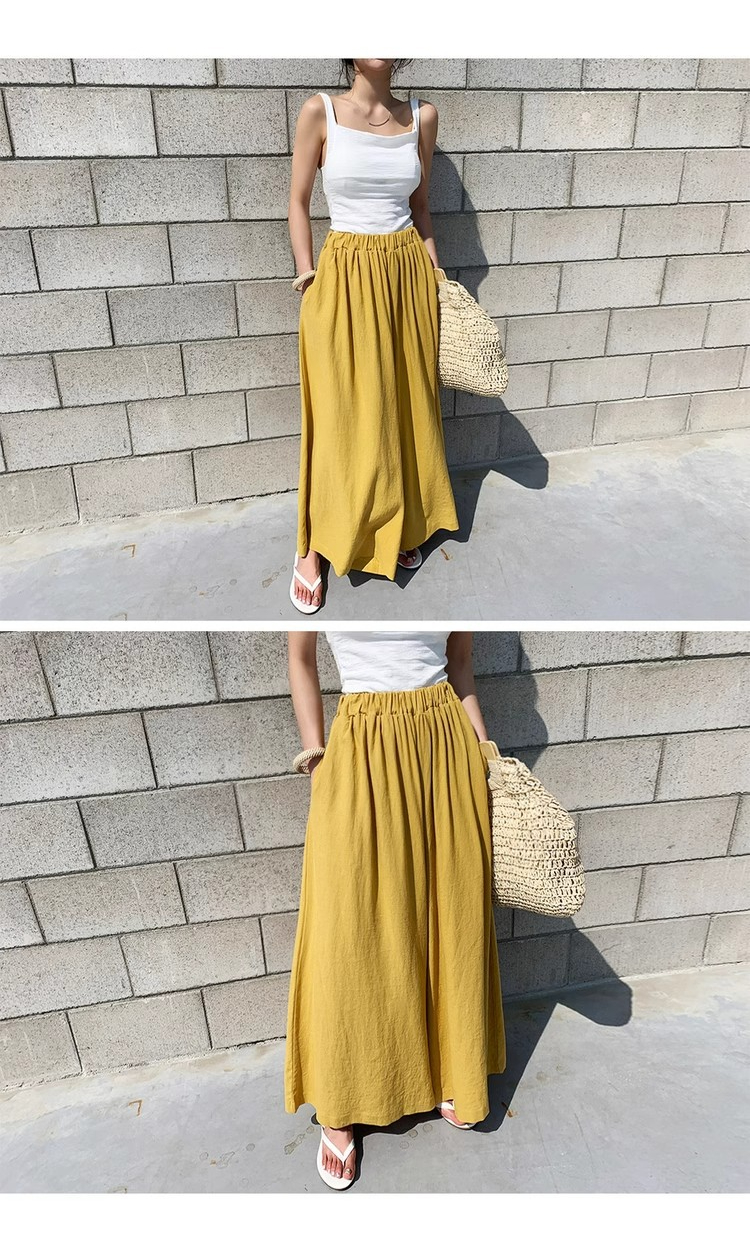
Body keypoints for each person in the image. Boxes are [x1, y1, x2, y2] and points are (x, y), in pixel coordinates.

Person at [285, 630, 506, 1189]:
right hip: (360, 744)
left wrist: (487, 761)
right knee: (350, 931)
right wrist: (317, 760)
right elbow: (300, 659)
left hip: (445, 748)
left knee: (452, 917)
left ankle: (454, 1068)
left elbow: (459, 667)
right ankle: (339, 1100)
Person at [287, 59, 460, 613]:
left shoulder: (422, 117)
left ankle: (399, 522)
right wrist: (307, 275)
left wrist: (436, 282)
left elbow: (420, 206)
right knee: (338, 415)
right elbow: (298, 202)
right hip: (342, 275)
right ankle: (313, 546)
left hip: (407, 275)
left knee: (404, 407)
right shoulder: (320, 112)